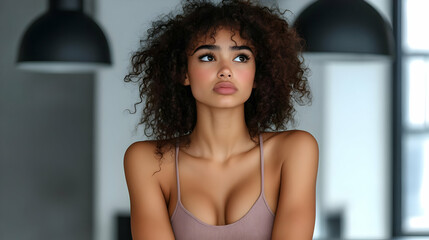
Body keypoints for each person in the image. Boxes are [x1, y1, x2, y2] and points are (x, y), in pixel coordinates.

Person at [123, 0, 319, 239]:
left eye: (241, 58)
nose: (225, 70)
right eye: (207, 57)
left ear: (258, 75)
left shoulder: (294, 150)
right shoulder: (149, 162)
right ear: (183, 72)